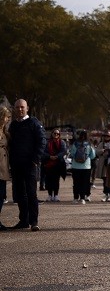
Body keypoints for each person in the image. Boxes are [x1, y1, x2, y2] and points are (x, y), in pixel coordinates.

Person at [8, 98, 46, 231]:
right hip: (16, 165)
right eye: (17, 107)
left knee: (31, 193)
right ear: (14, 109)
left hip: (30, 165)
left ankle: (34, 221)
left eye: (22, 107)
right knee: (20, 194)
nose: (19, 109)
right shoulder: (13, 125)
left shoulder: (34, 123)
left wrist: (35, 160)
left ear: (27, 108)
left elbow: (42, 142)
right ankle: (23, 221)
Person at [68, 129, 96, 203]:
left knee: (76, 183)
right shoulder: (89, 144)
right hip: (86, 166)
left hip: (75, 166)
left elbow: (72, 154)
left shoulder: (75, 143)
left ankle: (75, 198)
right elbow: (93, 156)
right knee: (84, 182)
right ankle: (82, 198)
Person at [42, 129, 68, 202]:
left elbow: (63, 151)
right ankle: (50, 195)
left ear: (59, 135)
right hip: (48, 163)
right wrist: (50, 156)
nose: (56, 135)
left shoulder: (62, 142)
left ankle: (56, 195)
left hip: (58, 164)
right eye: (54, 133)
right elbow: (43, 152)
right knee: (48, 180)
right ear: (52, 134)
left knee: (56, 180)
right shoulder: (47, 142)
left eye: (57, 133)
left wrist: (56, 156)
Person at [0, 105, 11, 230]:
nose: (7, 119)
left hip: (2, 167)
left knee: (2, 195)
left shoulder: (5, 132)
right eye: (6, 116)